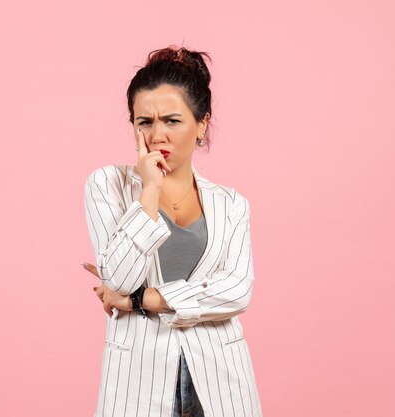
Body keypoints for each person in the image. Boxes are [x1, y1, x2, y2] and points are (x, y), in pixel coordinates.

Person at [82, 45, 263, 417]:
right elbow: (118, 277)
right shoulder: (107, 185)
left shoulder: (231, 204)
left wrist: (140, 301)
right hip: (138, 381)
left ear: (202, 124)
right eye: (144, 122)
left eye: (172, 120)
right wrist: (149, 189)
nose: (157, 135)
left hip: (220, 381)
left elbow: (237, 290)